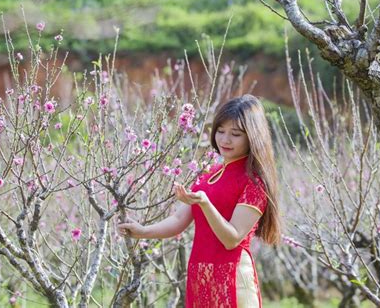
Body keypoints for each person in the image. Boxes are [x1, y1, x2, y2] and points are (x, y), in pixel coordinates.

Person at [117, 94, 281, 307]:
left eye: (235, 134)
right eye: (220, 131)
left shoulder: (254, 183)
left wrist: (205, 203)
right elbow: (178, 220)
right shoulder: (209, 175)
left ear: (253, 137)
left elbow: (232, 239)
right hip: (201, 275)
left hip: (233, 277)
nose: (225, 140)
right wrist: (143, 231)